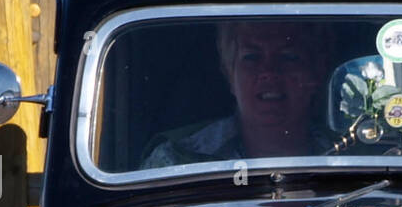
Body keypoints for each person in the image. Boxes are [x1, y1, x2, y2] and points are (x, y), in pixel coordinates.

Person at [142, 21, 333, 167]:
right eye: (251, 57)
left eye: (288, 57)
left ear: (316, 72)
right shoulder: (175, 160)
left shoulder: (350, 156)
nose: (269, 71)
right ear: (229, 73)